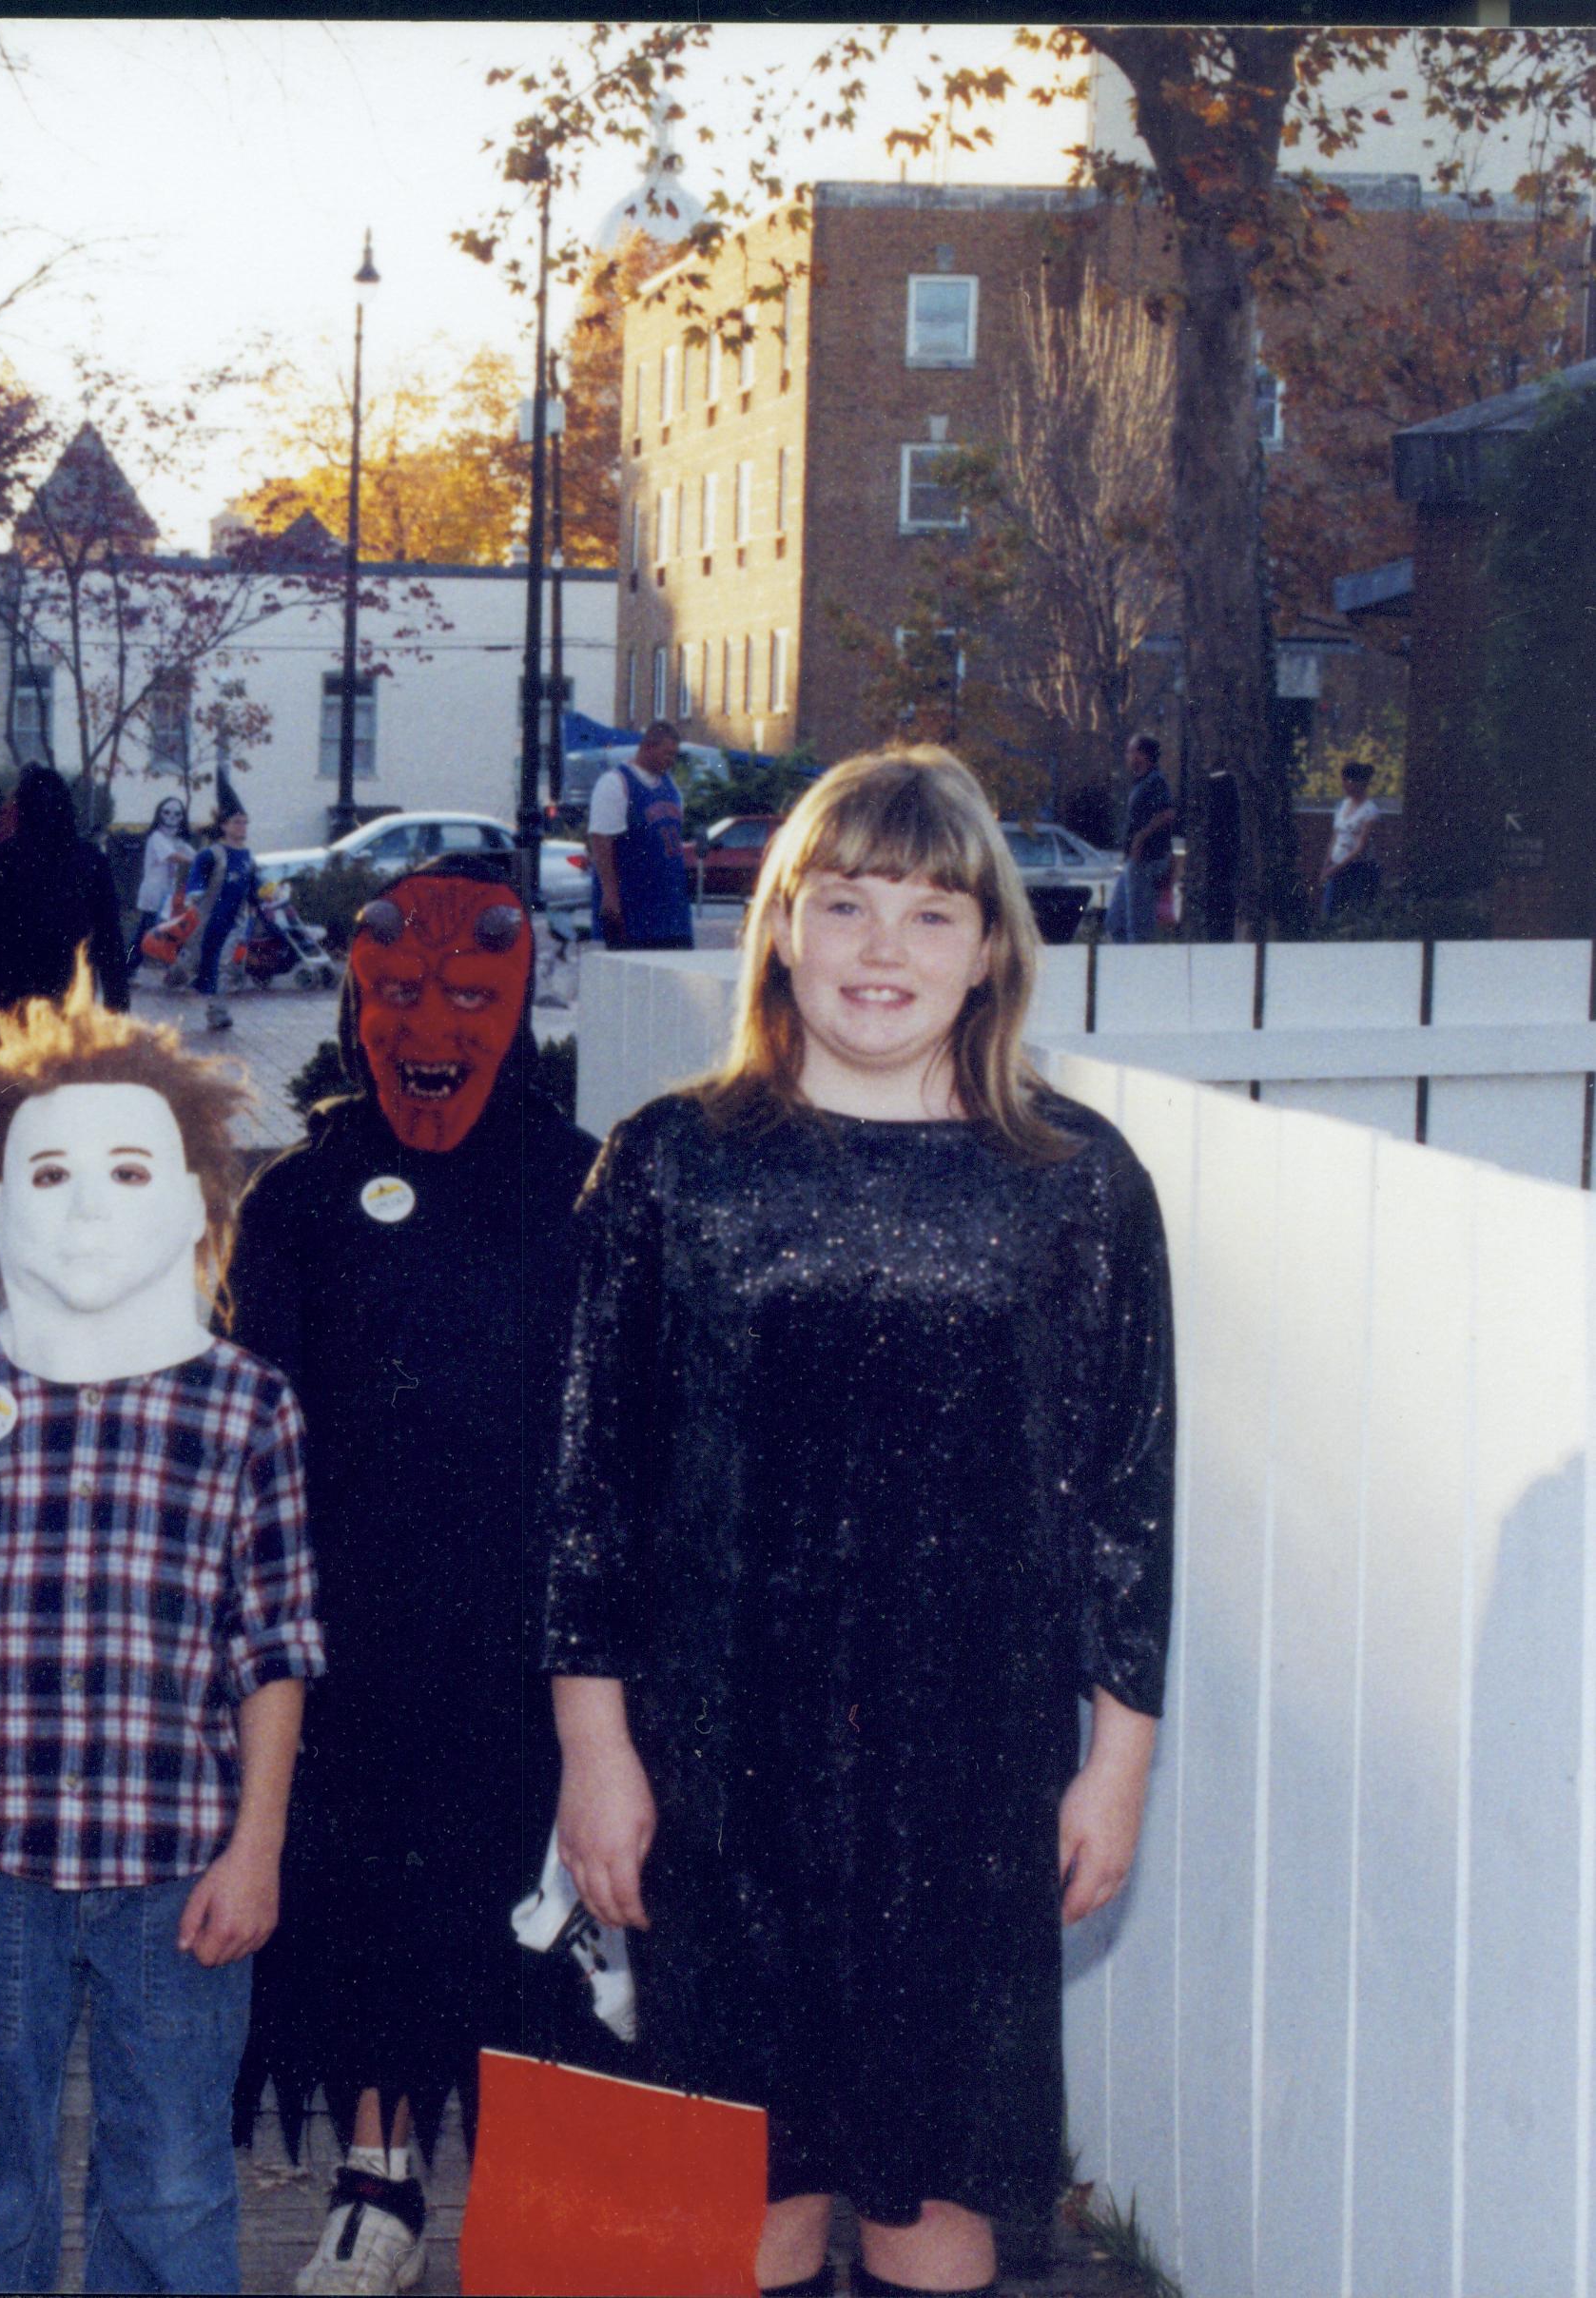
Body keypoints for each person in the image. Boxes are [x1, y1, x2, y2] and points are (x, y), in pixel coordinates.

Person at [545, 747, 1175, 2298]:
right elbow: (589, 1492)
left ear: (991, 955)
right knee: (741, 2192)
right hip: (717, 1771)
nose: (883, 950)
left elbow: (1127, 1499)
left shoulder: (1076, 1187)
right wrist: (595, 1750)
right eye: (845, 906)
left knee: (934, 2203)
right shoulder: (669, 1167)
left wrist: (1117, 1763)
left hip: (963, 1785)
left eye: (931, 912)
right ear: (778, 928)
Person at [0, 977, 323, 2294]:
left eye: (126, 1171)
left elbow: (272, 1647)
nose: (84, 1207)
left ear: (189, 1202)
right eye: (47, 1175)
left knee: (171, 2177)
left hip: (174, 1871)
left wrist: (257, 1848)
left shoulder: (244, 1410)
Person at [226, 854, 615, 2295]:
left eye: (466, 991)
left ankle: (543, 2194)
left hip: (528, 1633)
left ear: (518, 999)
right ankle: (374, 2181)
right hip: (348, 1627)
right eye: (396, 992)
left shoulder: (584, 1186)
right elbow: (245, 1426)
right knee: (361, 1901)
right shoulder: (300, 1197)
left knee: (525, 1904)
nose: (430, 1023)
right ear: (353, 996)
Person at [0, 761, 132, 1020]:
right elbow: (109, 935)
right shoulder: (91, 859)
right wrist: (117, 1002)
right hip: (71, 981)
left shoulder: (7, 857)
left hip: (14, 981)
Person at [585, 719, 696, 952]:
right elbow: (602, 842)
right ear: (647, 747)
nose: (671, 761)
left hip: (671, 905)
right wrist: (610, 895)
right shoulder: (615, 783)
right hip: (634, 904)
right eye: (666, 754)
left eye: (674, 755)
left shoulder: (670, 786)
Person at [182, 802, 263, 1030]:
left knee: (226, 963)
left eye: (245, 823)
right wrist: (194, 893)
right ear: (224, 826)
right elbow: (197, 875)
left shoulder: (247, 856)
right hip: (211, 918)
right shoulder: (212, 854)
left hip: (235, 919)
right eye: (237, 822)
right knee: (201, 960)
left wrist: (261, 896)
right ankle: (181, 972)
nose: (243, 827)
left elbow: (253, 883)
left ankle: (217, 1012)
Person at [1103, 733, 1176, 945]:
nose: (1127, 756)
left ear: (1142, 755)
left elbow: (1168, 813)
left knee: (1138, 927)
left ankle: (1140, 968)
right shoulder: (1140, 783)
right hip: (1133, 862)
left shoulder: (1156, 781)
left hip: (1147, 860)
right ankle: (1125, 967)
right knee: (1115, 923)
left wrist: (1141, 837)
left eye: (1131, 751)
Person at [1320, 759, 1383, 920]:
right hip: (1336, 868)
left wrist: (1336, 868)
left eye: (1347, 781)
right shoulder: (1342, 806)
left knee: (1353, 917)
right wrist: (1327, 863)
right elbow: (1336, 836)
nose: (1344, 785)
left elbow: (1360, 846)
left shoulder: (1370, 811)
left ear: (1359, 783)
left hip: (1358, 870)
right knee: (1328, 915)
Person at [132, 792, 194, 939]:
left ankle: (135, 959)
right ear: (159, 814)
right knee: (147, 932)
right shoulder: (156, 837)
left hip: (167, 895)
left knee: (154, 931)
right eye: (167, 812)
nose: (172, 817)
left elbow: (193, 854)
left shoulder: (176, 840)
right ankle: (132, 960)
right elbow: (171, 856)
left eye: (177, 814)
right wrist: (192, 861)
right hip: (154, 893)